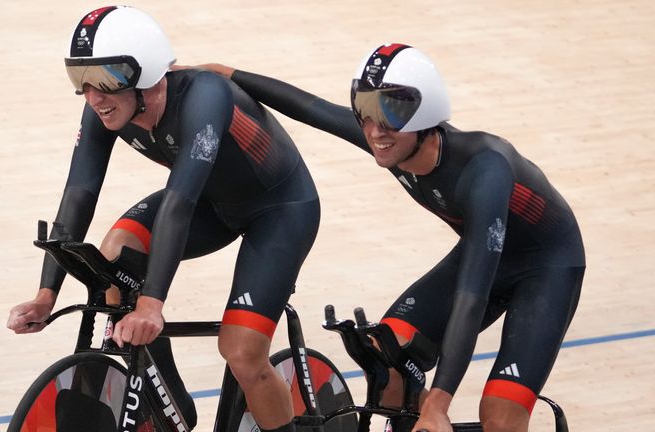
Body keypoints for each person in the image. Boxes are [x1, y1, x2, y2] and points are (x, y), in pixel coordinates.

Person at [192, 44, 585, 432]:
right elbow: (312, 109)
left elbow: (472, 297)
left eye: (390, 116)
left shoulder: (485, 172)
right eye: (364, 113)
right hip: (486, 254)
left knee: (500, 417)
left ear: (426, 115)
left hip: (547, 268)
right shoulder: (394, 138)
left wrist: (439, 402)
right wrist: (232, 75)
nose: (375, 131)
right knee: (387, 356)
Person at [6, 6, 321, 432]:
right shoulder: (105, 107)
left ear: (147, 74)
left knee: (243, 353)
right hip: (213, 203)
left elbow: (179, 202)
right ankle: (168, 404)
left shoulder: (204, 95)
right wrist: (46, 294)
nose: (92, 95)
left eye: (104, 79)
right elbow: (79, 193)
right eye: (79, 79)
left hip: (279, 211)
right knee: (114, 260)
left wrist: (153, 304)